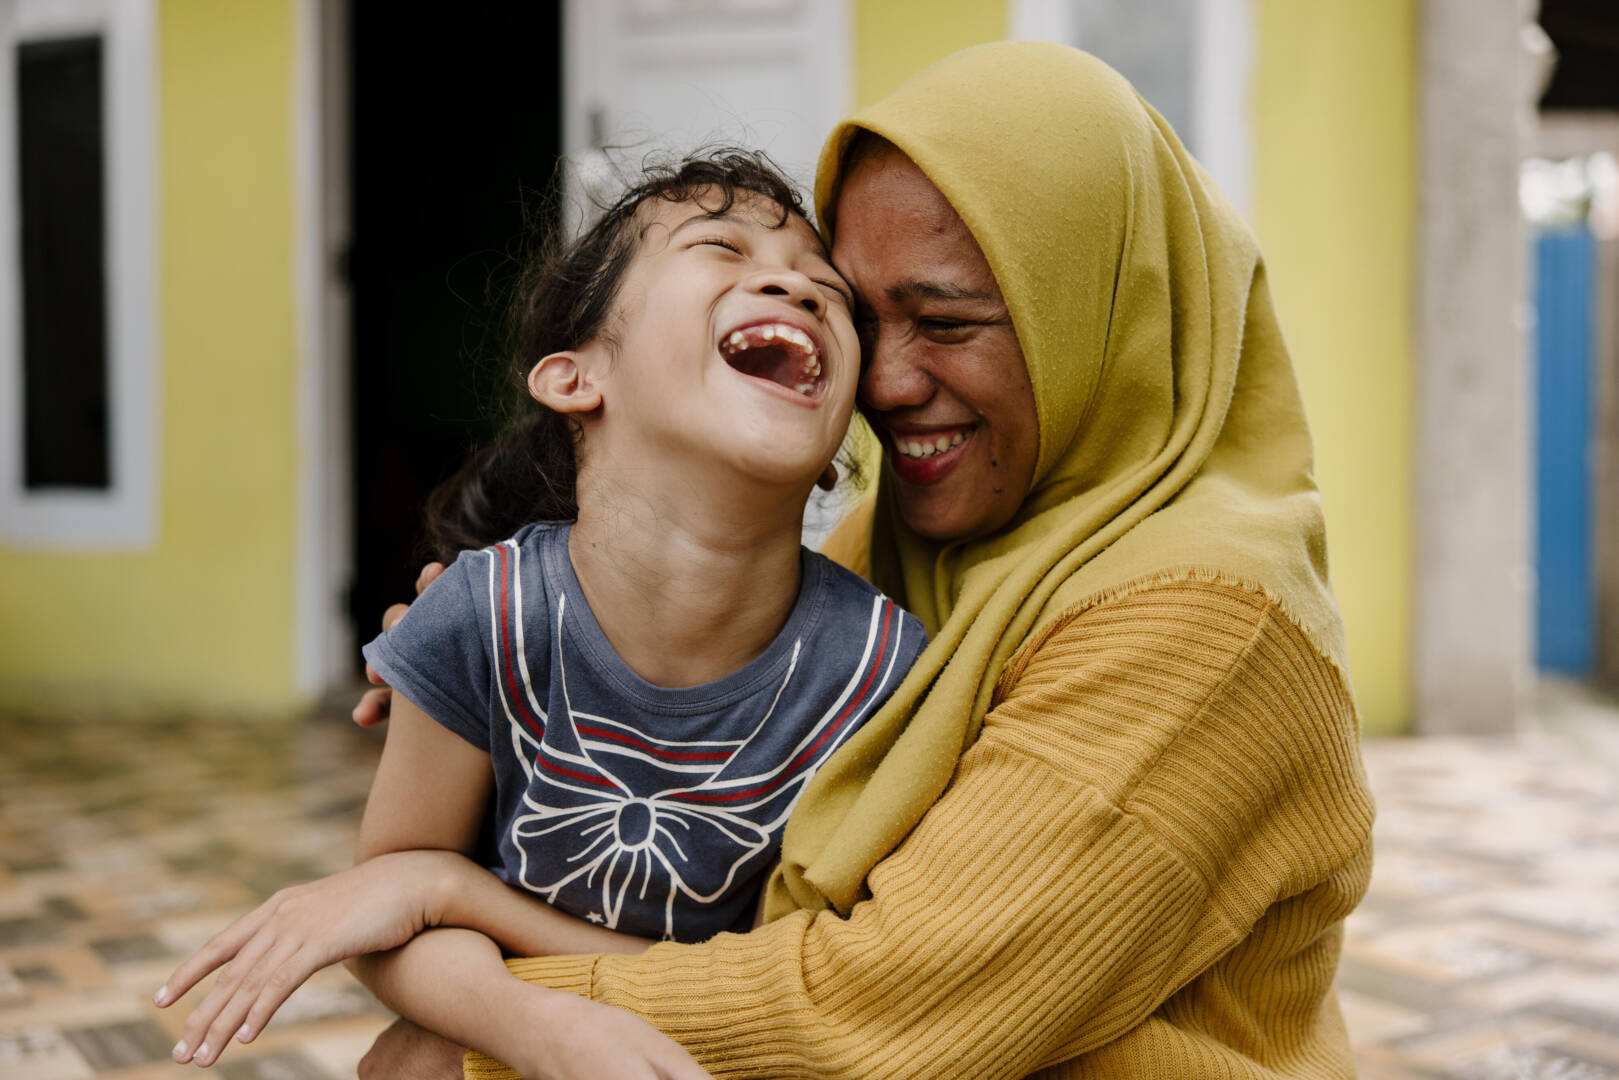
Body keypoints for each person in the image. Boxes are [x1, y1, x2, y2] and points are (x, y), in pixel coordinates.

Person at [357, 41, 1375, 1079]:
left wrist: (474, 1013)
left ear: (1098, 321)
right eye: (865, 313)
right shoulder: (944, 537)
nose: (882, 386)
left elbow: (876, 1011)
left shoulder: (1204, 623)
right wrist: (484, 641)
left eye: (944, 322)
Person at [152, 151, 927, 1076]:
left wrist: (473, 927)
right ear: (574, 379)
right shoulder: (481, 617)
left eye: (824, 287)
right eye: (720, 247)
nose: (795, 287)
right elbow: (377, 916)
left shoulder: (881, 670)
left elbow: (790, 983)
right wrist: (535, 1029)